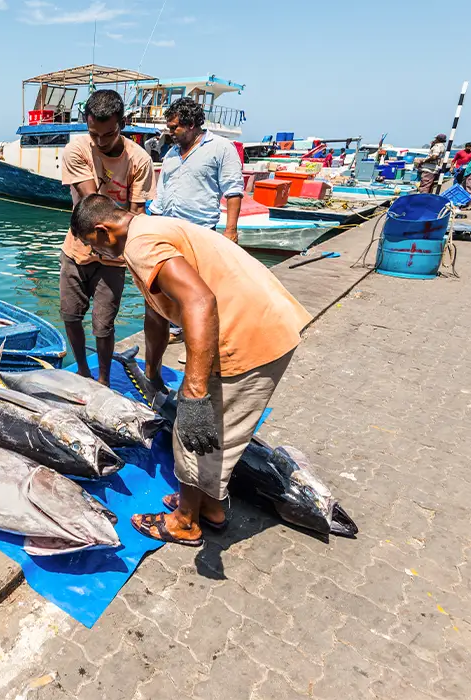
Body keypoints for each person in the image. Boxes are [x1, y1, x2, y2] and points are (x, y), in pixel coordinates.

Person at [69, 194, 312, 546]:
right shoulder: (150, 228)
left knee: (193, 432)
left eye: (95, 247)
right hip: (267, 321)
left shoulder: (140, 244)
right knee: (217, 431)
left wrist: (194, 392)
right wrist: (151, 373)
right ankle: (209, 508)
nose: (98, 256)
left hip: (245, 336)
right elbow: (157, 314)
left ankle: (185, 521)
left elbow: (199, 300)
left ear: (104, 231)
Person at [59, 89, 154, 385]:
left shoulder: (139, 160)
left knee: (103, 325)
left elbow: (137, 214)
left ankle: (103, 380)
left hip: (114, 259)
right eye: (94, 135)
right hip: (76, 249)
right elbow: (92, 206)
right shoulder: (76, 150)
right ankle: (83, 373)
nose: (100, 142)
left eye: (108, 134)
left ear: (122, 123)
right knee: (70, 316)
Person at [148, 97, 244, 242]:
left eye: (175, 128)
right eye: (169, 128)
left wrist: (231, 231)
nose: (170, 132)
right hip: (168, 231)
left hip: (201, 233)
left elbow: (233, 190)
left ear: (191, 124)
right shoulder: (171, 153)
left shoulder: (220, 147)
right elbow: (161, 193)